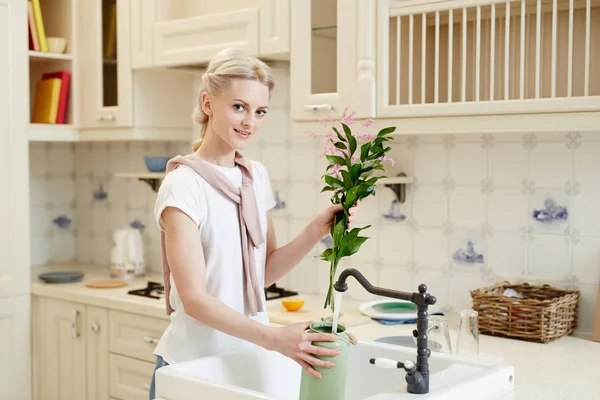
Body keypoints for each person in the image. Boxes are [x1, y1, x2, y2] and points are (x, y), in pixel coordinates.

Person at [148, 48, 359, 400]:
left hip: (248, 361)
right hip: (193, 366)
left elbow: (261, 274)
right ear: (207, 103)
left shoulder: (254, 177)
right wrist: (275, 338)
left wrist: (315, 232)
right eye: (239, 107)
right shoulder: (182, 185)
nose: (250, 122)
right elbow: (195, 299)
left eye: (260, 111)